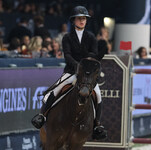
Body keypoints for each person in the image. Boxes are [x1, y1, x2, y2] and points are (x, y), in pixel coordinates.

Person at [31, 5, 107, 140]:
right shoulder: (67, 37)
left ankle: (97, 125)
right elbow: (67, 54)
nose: (82, 21)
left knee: (98, 95)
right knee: (56, 90)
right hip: (72, 71)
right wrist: (77, 65)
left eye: (84, 19)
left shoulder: (91, 37)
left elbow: (94, 55)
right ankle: (42, 115)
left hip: (87, 74)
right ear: (73, 21)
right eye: (79, 19)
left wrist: (84, 65)